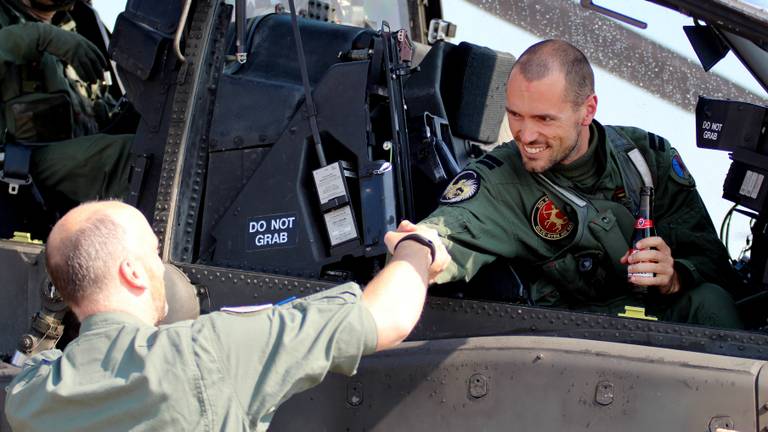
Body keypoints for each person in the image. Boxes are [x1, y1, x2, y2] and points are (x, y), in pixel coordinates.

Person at [4, 201, 450, 431]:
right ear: (134, 272)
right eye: (154, 253)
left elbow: (37, 365)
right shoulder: (209, 351)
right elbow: (386, 316)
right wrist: (417, 247)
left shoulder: (29, 396)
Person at [417, 39, 743, 328]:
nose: (526, 136)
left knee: (712, 302)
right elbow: (441, 235)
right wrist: (412, 253)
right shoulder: (501, 179)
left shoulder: (647, 160)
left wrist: (674, 276)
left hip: (660, 327)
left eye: (544, 119)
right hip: (575, 341)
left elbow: (713, 263)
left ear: (587, 111)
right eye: (516, 115)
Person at [0, 0, 133, 213]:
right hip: (19, 161)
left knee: (148, 142)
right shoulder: (9, 19)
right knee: (133, 156)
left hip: (70, 152)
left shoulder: (78, 28)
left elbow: (100, 100)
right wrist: (38, 36)